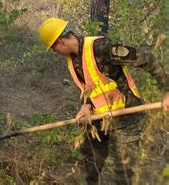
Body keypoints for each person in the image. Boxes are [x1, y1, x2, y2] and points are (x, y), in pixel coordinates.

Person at [38, 17, 168, 185]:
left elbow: (146, 58)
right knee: (90, 160)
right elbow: (88, 86)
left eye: (53, 48)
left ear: (60, 41)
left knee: (123, 169)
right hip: (99, 117)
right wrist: (85, 106)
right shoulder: (73, 59)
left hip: (127, 115)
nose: (55, 52)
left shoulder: (101, 48)